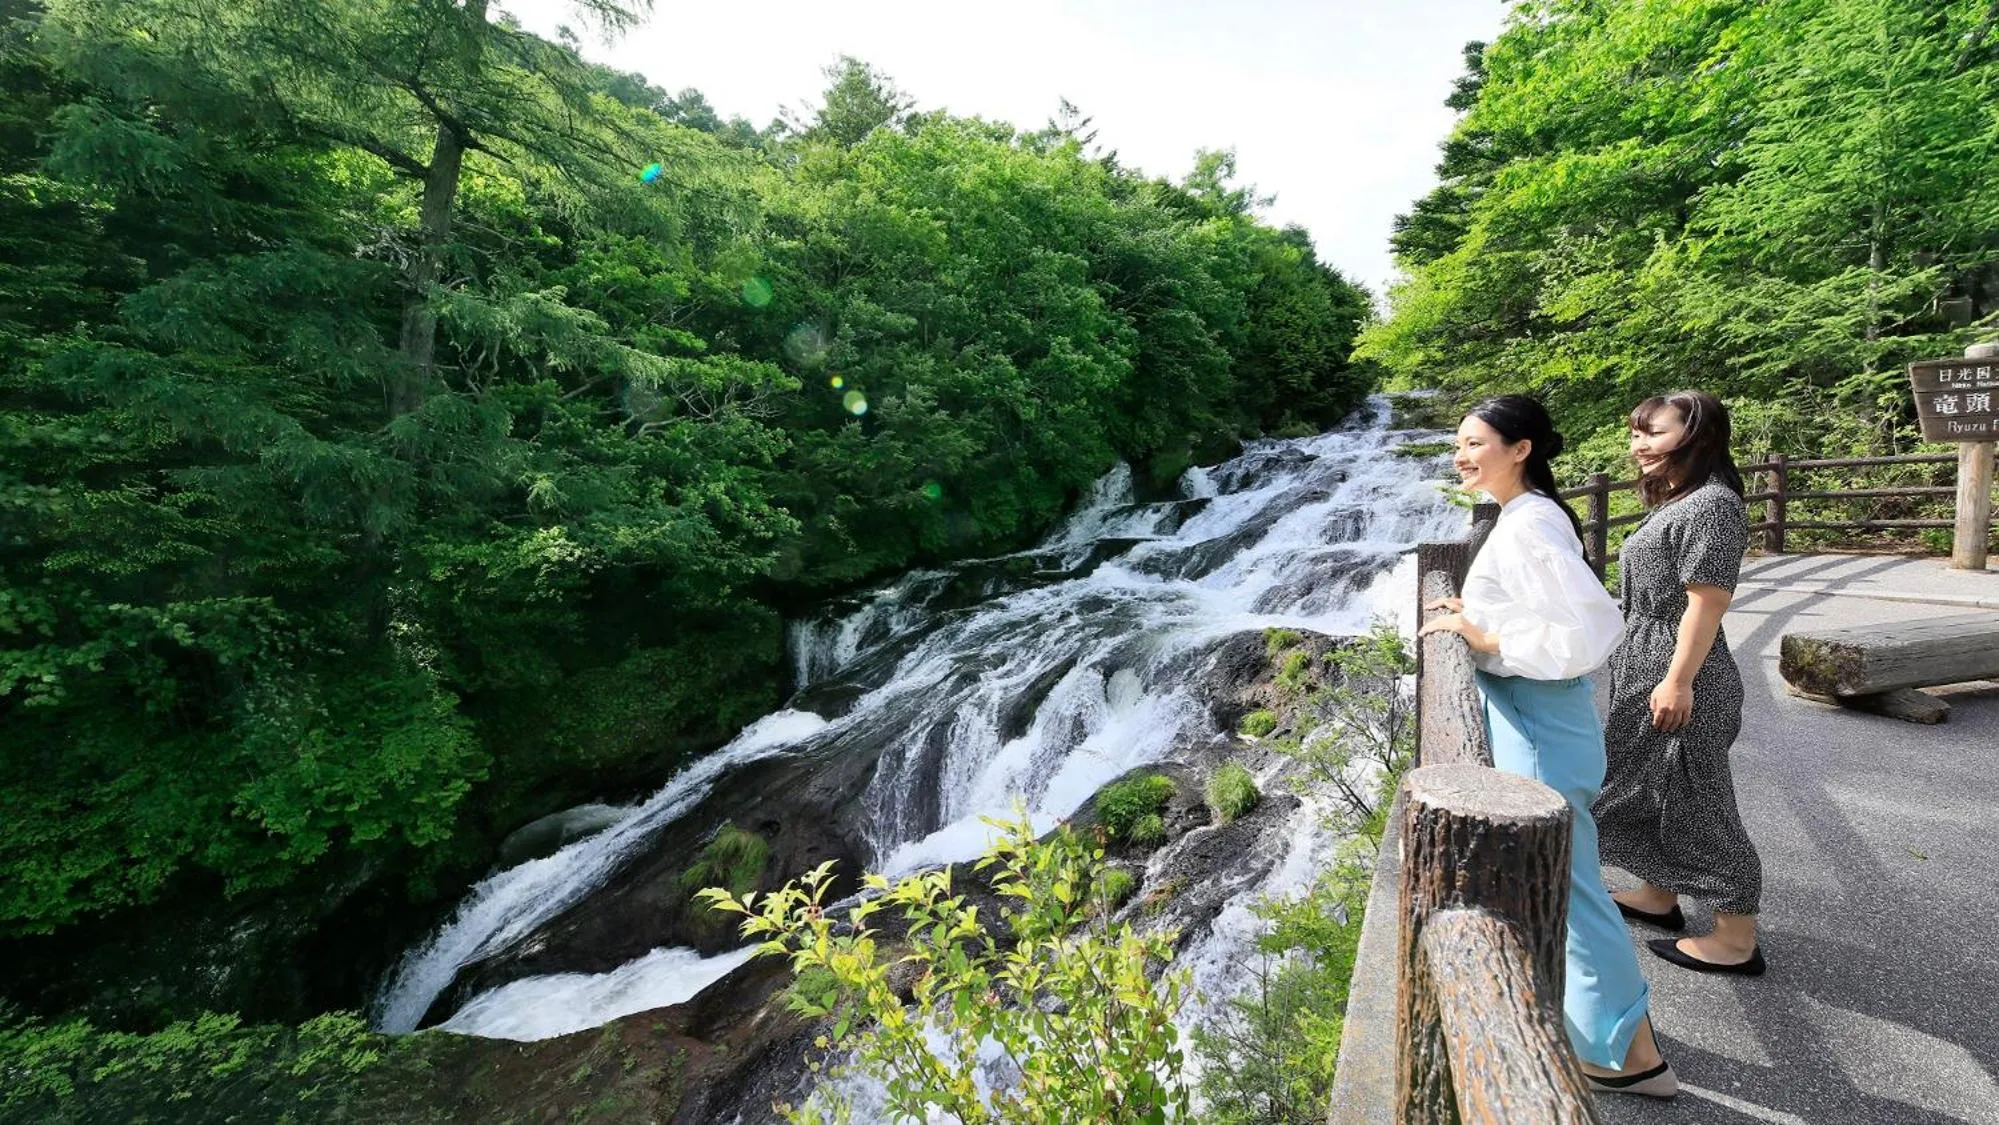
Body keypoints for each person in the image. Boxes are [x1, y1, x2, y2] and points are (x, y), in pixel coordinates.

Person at [1419, 395, 1675, 1098]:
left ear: (1520, 447)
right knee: (1566, 870)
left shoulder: (1530, 523)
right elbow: (1533, 606)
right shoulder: (1521, 517)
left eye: (1475, 442)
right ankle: (1608, 1029)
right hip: (1538, 716)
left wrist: (1487, 638)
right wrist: (1471, 612)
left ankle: (1628, 1054)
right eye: (1457, 444)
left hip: (1537, 720)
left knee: (1569, 880)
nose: (1462, 455)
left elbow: (1590, 628)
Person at [1594, 390, 1766, 975]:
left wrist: (1677, 682)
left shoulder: (1712, 505)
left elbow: (1706, 603)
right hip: (1647, 663)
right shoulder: (1680, 499)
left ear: (1699, 438)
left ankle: (1735, 937)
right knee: (1645, 785)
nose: (1639, 444)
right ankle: (1658, 894)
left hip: (1681, 671)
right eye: (1636, 432)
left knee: (1698, 800)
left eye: (1655, 433)